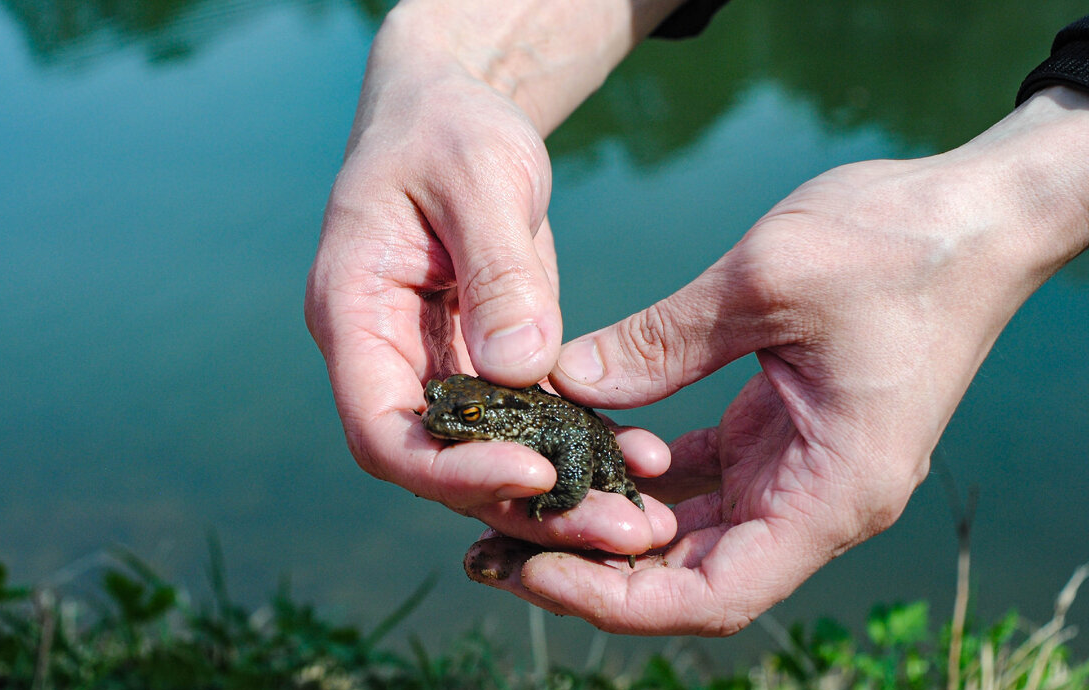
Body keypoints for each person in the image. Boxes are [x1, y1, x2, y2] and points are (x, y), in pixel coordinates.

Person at [305, 0, 1089, 635]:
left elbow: (572, 451)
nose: (444, 415)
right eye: (447, 412)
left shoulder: (513, 416)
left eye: (456, 410)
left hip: (574, 432)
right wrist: (438, 62)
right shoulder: (473, 413)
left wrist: (1003, 216)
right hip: (544, 420)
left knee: (584, 472)